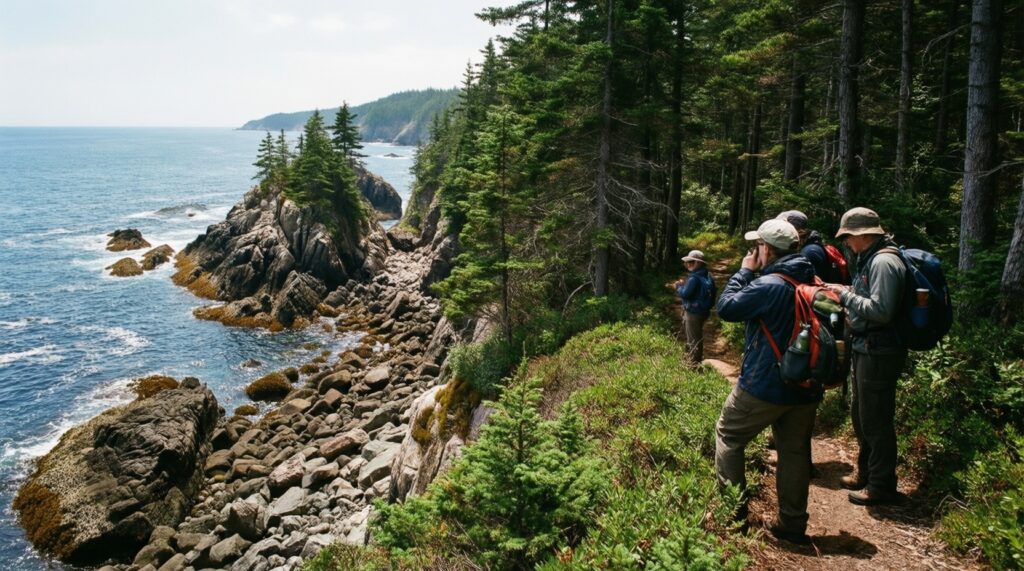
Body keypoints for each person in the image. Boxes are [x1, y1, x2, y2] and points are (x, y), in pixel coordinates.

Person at [715, 219, 820, 545]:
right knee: (794, 451)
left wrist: (744, 272)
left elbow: (726, 308)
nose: (752, 251)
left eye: (756, 245)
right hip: (805, 385)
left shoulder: (769, 284)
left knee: (728, 435)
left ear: (767, 249)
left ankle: (733, 518)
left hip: (765, 385)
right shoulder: (811, 277)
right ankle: (792, 524)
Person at [826, 207, 906, 506]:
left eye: (848, 236)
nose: (846, 242)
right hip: (868, 347)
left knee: (875, 419)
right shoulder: (873, 258)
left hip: (879, 349)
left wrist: (845, 297)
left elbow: (882, 311)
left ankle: (881, 485)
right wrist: (845, 289)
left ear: (862, 234)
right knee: (863, 415)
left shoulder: (884, 262)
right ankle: (867, 474)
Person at [674, 250, 715, 363]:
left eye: (690, 262)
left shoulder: (694, 278)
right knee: (695, 335)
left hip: (693, 312)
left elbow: (685, 294)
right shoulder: (707, 275)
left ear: (698, 263)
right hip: (703, 311)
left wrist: (678, 287)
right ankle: (691, 359)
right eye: (687, 262)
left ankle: (693, 364)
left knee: (693, 338)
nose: (688, 264)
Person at [776, 210, 828, 280]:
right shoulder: (807, 246)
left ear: (796, 229)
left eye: (783, 228)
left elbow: (807, 285)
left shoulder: (809, 252)